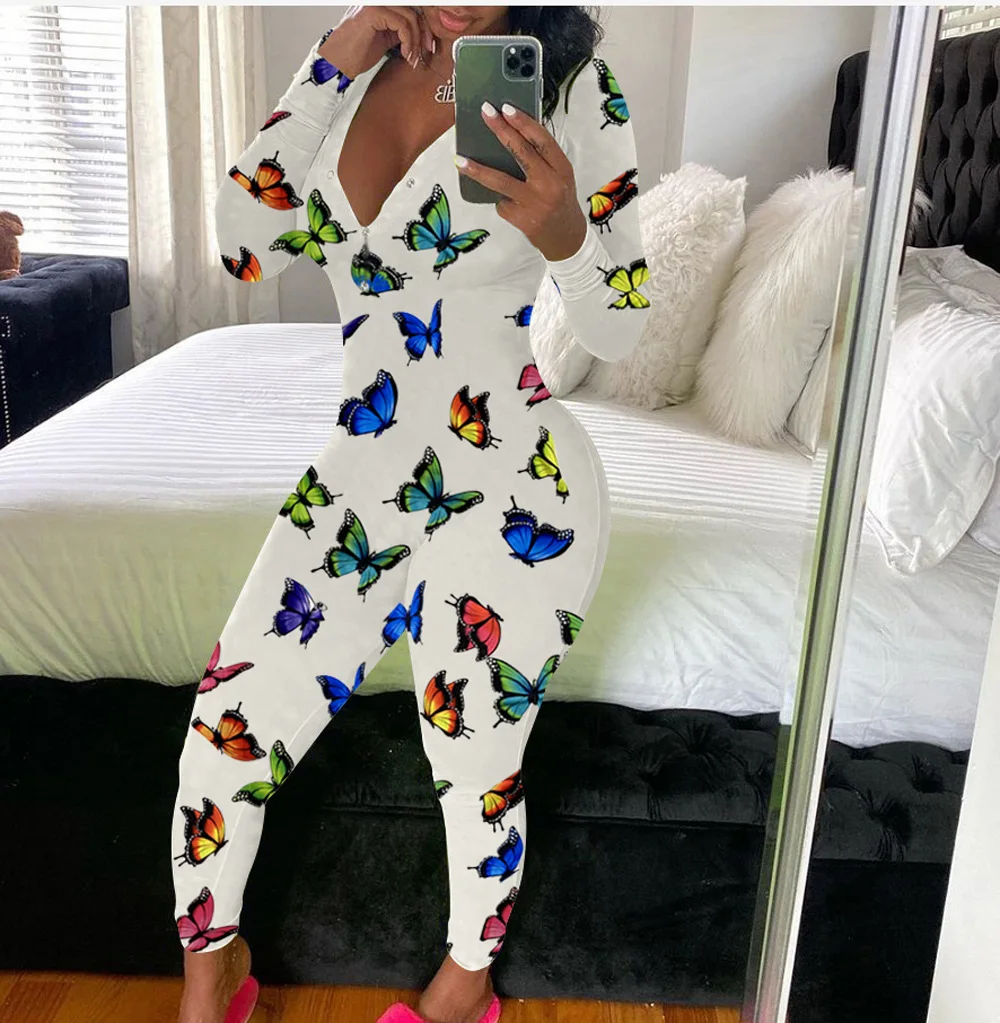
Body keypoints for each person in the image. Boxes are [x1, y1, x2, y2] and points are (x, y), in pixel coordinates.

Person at [172, 6, 650, 1022]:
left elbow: (619, 325)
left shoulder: (570, 84)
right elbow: (245, 250)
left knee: (472, 750)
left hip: (516, 476)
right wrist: (330, 61)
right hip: (363, 467)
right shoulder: (350, 67)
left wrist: (565, 233)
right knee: (227, 725)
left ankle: (463, 983)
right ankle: (211, 969)